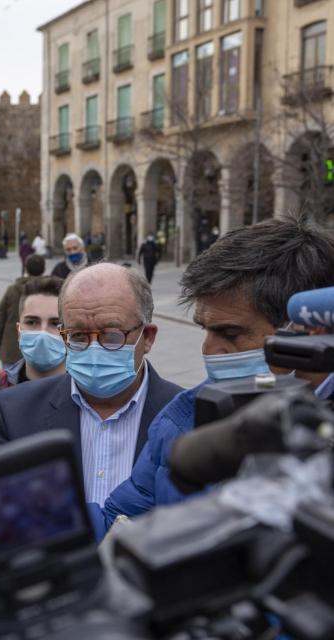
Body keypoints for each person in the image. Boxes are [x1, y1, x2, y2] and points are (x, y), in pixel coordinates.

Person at [90, 215, 334, 541]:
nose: (209, 350)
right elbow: (119, 525)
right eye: (205, 329)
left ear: (309, 329)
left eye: (230, 333)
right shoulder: (182, 419)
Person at [0, 263, 183, 508]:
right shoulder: (15, 411)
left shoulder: (188, 416)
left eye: (112, 335)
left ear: (148, 337)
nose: (94, 349)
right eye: (78, 336)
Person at [0, 276, 66, 388]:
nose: (43, 333)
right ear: (19, 330)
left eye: (55, 324)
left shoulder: (87, 393)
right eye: (32, 322)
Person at [0, 253, 46, 369]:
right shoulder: (50, 292)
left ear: (26, 268)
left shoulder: (12, 289)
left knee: (10, 384)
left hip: (11, 349)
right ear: (44, 269)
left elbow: (0, 319)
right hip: (41, 351)